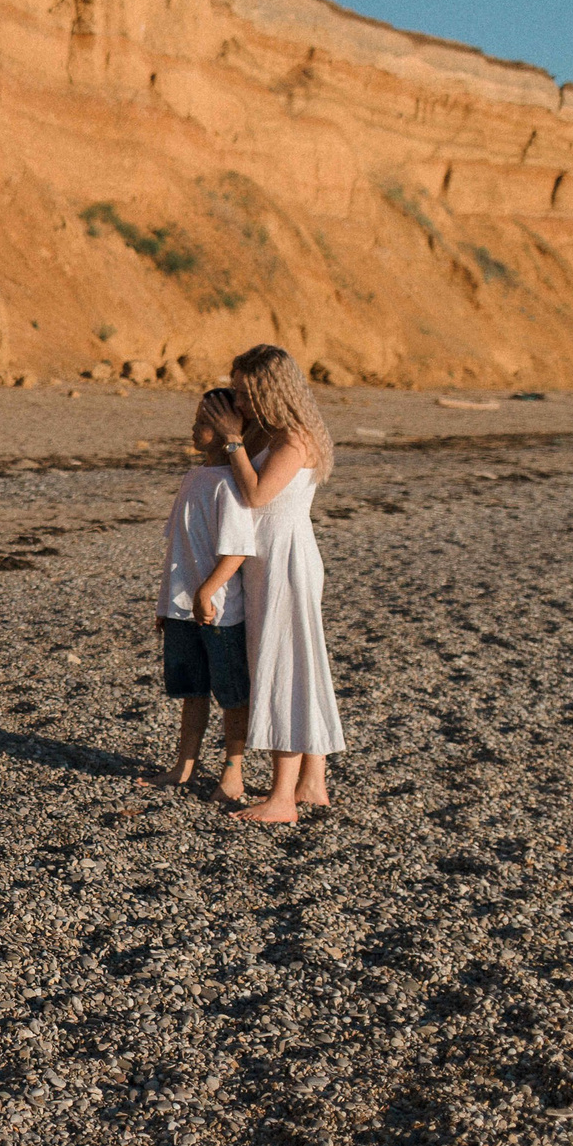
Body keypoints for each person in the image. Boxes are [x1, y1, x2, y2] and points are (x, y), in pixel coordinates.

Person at [203, 345, 344, 823]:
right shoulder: (271, 432)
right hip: (269, 562)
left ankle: (283, 799)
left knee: (285, 667)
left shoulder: (295, 439)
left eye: (245, 393)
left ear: (270, 391)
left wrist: (232, 440)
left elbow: (258, 495)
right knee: (300, 665)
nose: (239, 403)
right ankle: (311, 783)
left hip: (286, 560)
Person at [140, 388, 255, 803]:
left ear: (225, 430)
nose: (193, 428)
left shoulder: (230, 484)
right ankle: (183, 766)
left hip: (218, 611)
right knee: (190, 690)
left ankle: (233, 773)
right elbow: (177, 548)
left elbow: (237, 550)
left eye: (203, 422)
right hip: (181, 607)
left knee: (231, 695)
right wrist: (164, 605)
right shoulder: (194, 477)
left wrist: (207, 591)